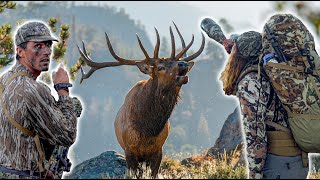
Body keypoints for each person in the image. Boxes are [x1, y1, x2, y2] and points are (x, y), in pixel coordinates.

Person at [201, 19, 309, 179]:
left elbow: (255, 136)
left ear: (239, 57)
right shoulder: (278, 72)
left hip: (276, 164)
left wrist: (254, 175)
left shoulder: (251, 82)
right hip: (298, 162)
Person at [0, 21, 82, 179]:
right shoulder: (33, 89)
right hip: (26, 175)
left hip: (5, 170)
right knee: (74, 105)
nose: (46, 52)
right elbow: (67, 135)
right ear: (20, 51)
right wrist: (62, 88)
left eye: (48, 45)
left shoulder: (4, 80)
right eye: (38, 46)